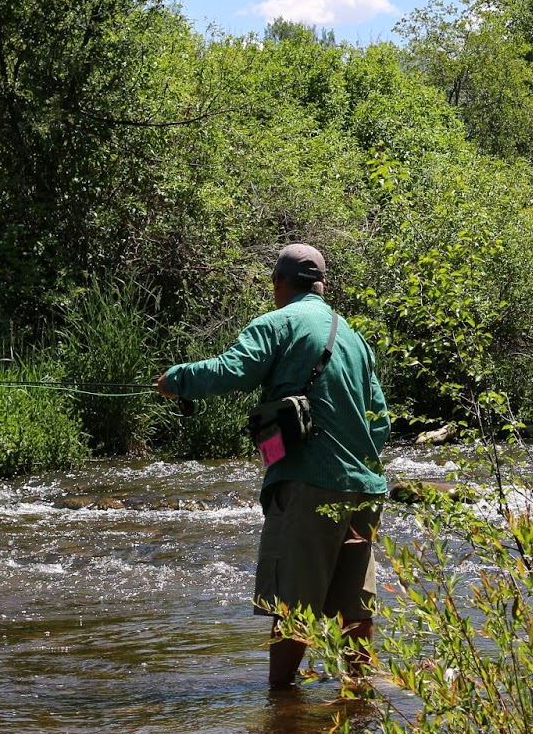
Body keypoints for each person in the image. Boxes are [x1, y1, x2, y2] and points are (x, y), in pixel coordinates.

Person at [156, 243, 391, 688]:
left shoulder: (276, 323)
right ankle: (357, 703)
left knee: (292, 603)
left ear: (278, 284)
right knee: (354, 608)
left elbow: (232, 370)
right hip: (364, 488)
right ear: (321, 285)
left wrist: (178, 379)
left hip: (307, 483)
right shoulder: (354, 338)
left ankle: (280, 704)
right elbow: (380, 418)